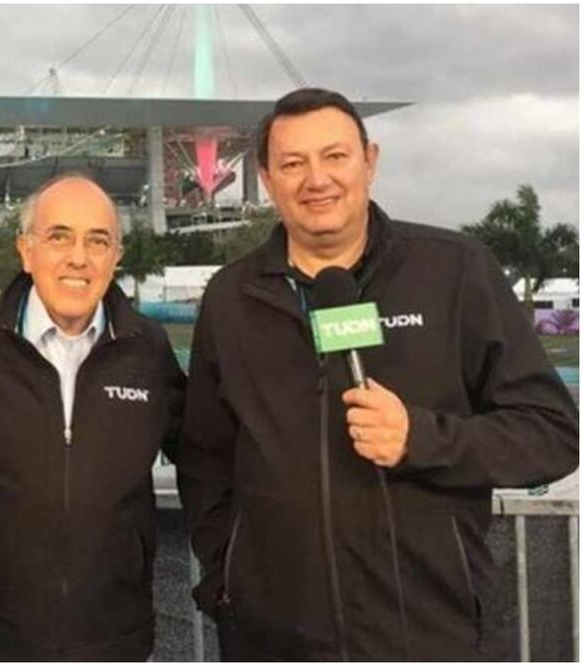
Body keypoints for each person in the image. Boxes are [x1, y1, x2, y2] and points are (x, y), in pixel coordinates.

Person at [178, 88, 579, 661]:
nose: (316, 179)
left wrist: (422, 438)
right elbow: (204, 457)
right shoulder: (231, 297)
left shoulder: (455, 272)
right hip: (270, 639)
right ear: (267, 180)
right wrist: (226, 582)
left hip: (429, 634)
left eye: (335, 156)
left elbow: (553, 435)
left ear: (370, 161)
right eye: (293, 163)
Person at [0, 174, 185, 660]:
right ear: (25, 251)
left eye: (98, 241)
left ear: (116, 258)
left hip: (117, 639)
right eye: (59, 237)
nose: (79, 257)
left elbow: (207, 455)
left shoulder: (148, 350)